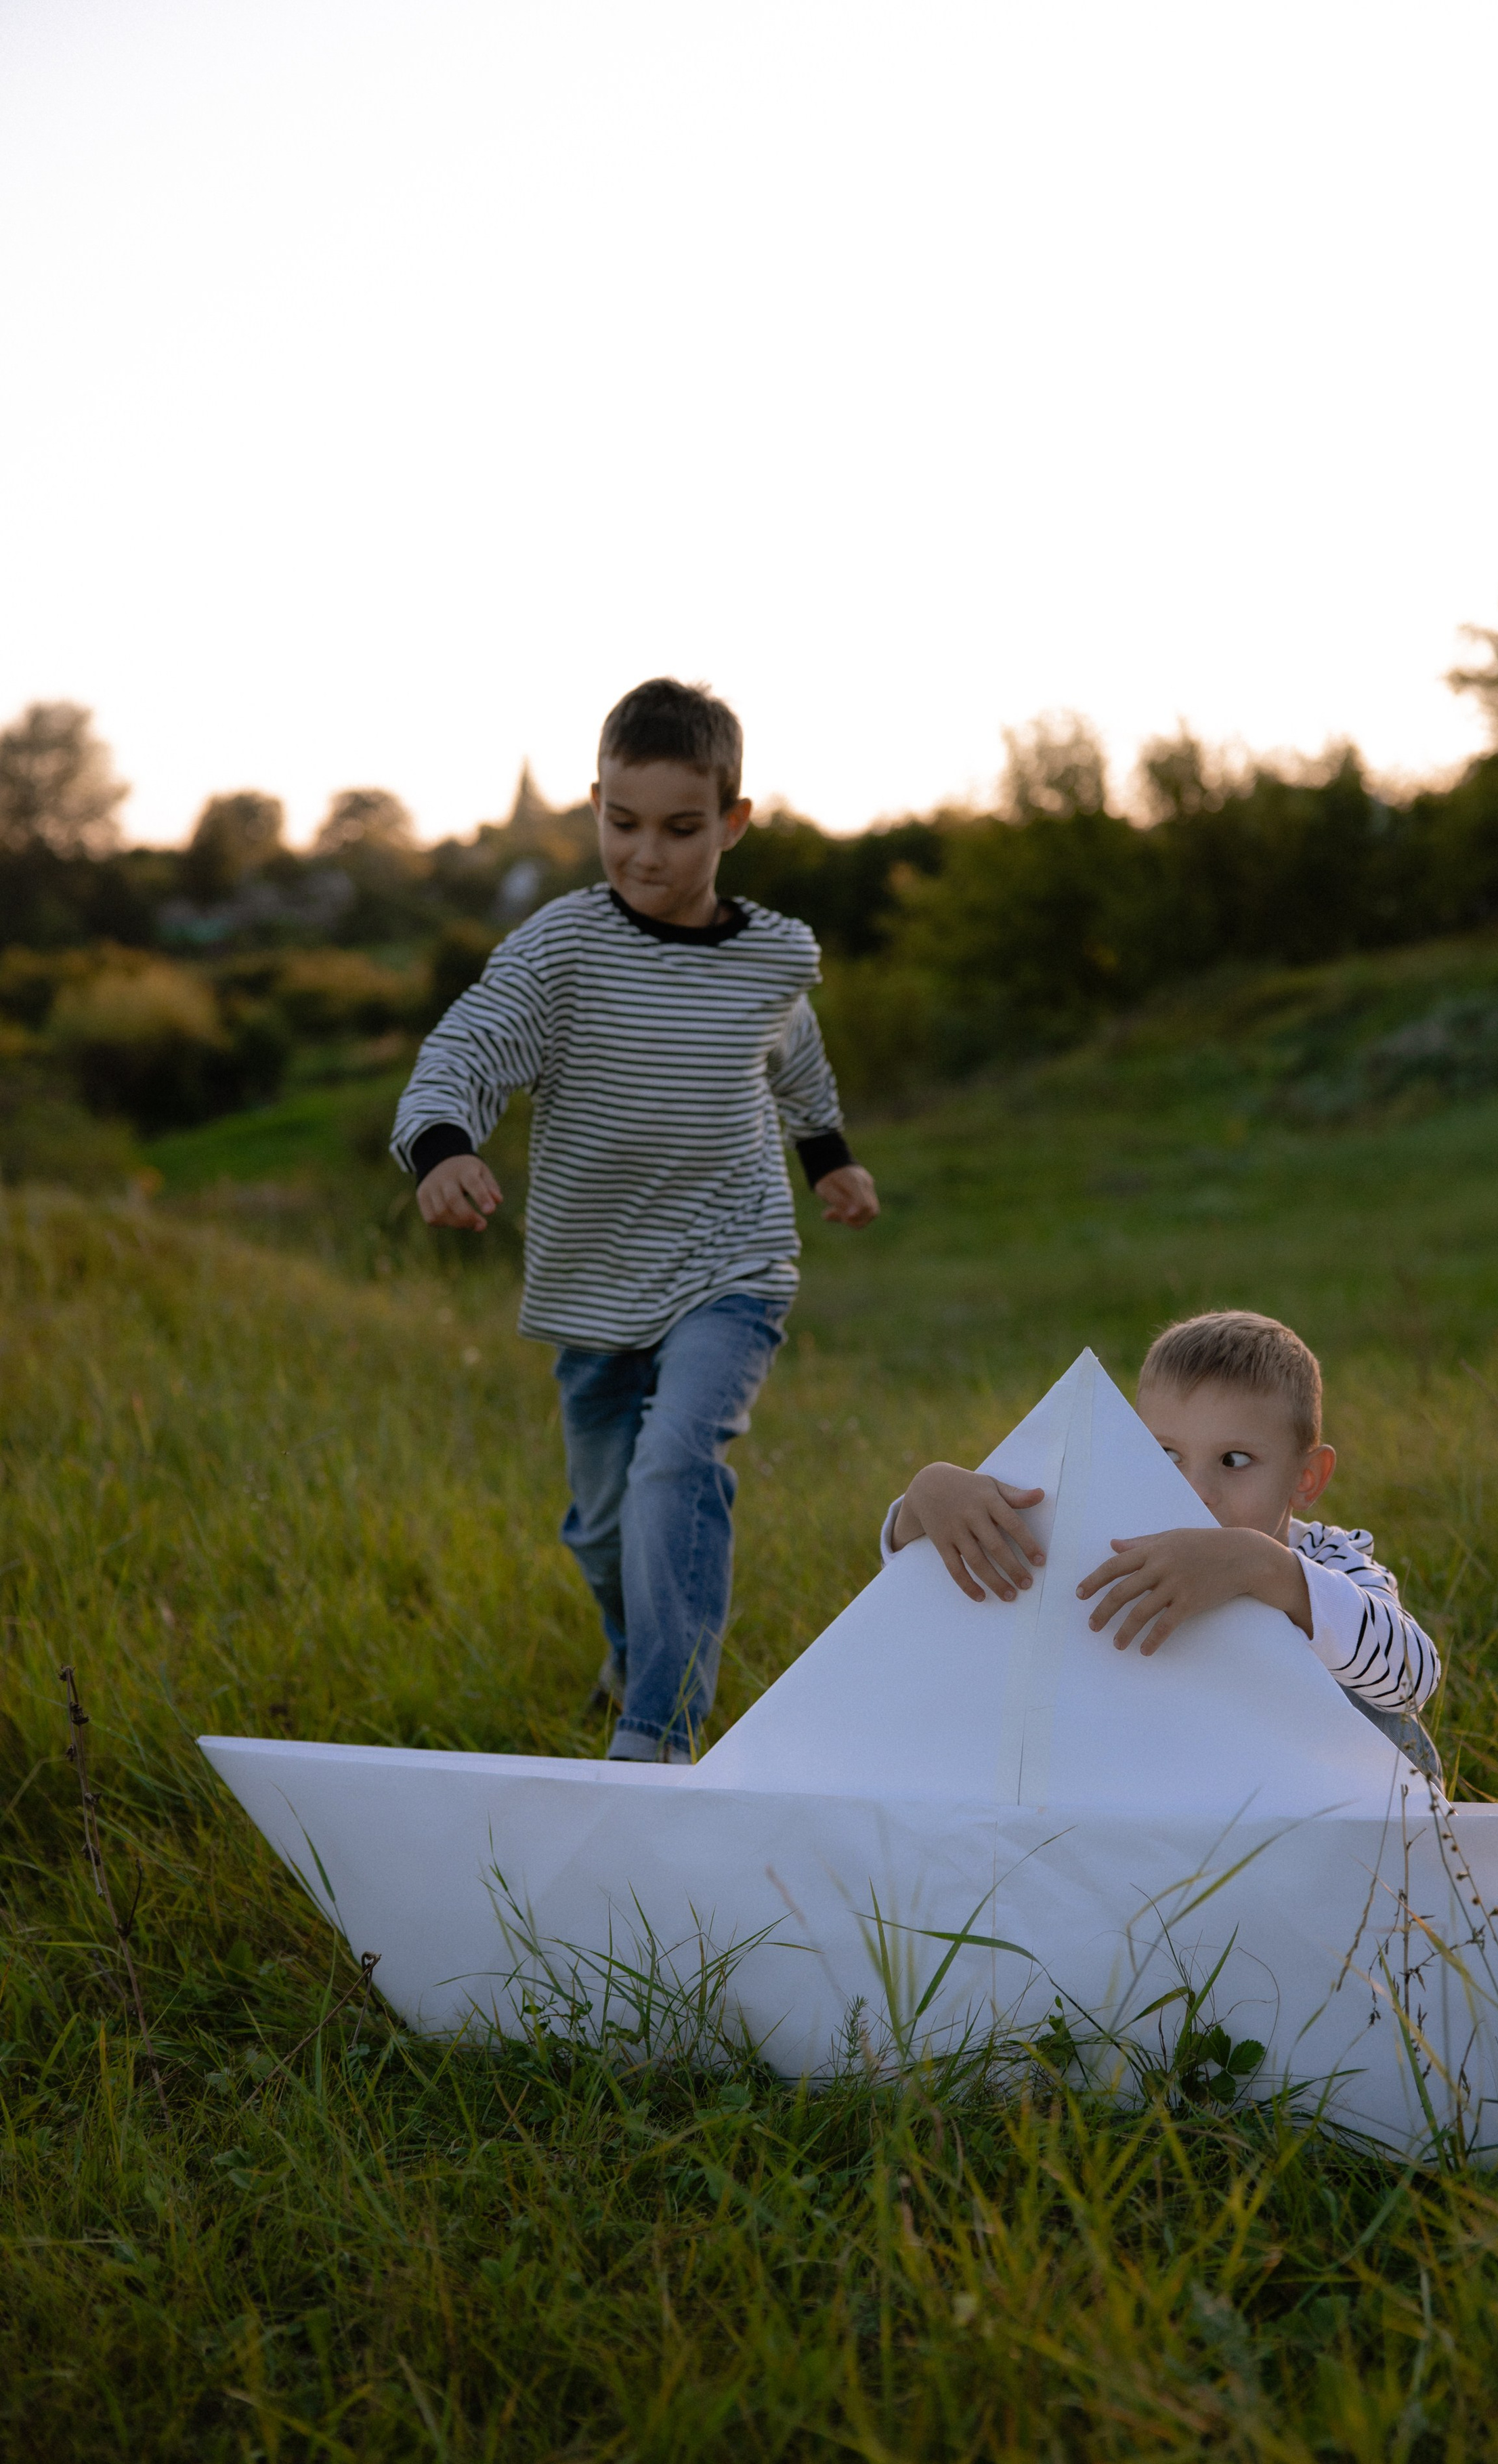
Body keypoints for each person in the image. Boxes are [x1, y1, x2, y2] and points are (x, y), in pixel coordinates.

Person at [392, 677, 878, 1762]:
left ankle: (656, 1736)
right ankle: (634, 1649)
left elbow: (792, 1053)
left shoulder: (774, 954)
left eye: (680, 828)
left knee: (675, 1468)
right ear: (595, 804)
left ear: (734, 824)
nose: (646, 854)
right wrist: (442, 1143)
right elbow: (468, 1046)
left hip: (733, 1263)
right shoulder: (562, 952)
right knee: (605, 1525)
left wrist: (827, 1156)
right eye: (622, 823)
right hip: (596, 1279)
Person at [884, 1309, 1443, 1780]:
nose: (1195, 1491)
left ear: (1307, 1478)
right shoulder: (1115, 1546)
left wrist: (1263, 1568)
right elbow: (939, 1605)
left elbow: (1412, 1682)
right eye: (1167, 1455)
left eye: (1235, 1461)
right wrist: (926, 1496)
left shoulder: (1326, 1560)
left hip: (1334, 1823)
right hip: (1171, 1819)